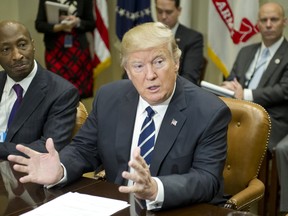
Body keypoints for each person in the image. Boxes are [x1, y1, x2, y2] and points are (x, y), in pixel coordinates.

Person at [8, 22, 231, 211]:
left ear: (177, 62)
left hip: (180, 209)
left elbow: (207, 180)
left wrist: (155, 188)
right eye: (138, 66)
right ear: (127, 69)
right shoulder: (109, 97)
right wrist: (60, 170)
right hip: (117, 205)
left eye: (159, 62)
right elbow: (84, 148)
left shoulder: (209, 111)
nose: (150, 75)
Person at [222, 2, 288, 214]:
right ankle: (220, 198)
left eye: (274, 20)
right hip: (237, 118)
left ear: (284, 22)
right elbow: (231, 79)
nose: (268, 24)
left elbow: (284, 90)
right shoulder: (246, 52)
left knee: (237, 142)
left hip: (273, 121)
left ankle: (244, 200)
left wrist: (246, 94)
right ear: (257, 24)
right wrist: (227, 86)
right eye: (263, 20)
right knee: (209, 136)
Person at [0, 20, 79, 159]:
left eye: (22, 45)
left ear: (33, 45)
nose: (17, 56)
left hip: (27, 175)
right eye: (6, 49)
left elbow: (48, 148)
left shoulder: (61, 92)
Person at [35, 0, 95, 99]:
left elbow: (91, 23)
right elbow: (39, 24)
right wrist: (59, 27)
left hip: (78, 48)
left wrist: (77, 22)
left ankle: (78, 113)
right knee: (57, 89)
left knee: (78, 90)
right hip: (55, 49)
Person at [155, 0, 204, 84]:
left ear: (179, 11)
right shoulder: (145, 35)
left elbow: (189, 78)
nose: (163, 16)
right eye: (159, 11)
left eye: (169, 12)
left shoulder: (193, 38)